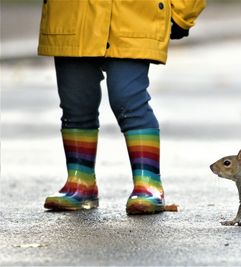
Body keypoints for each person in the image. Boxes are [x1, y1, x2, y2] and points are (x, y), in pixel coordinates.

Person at [38, 0, 206, 214]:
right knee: (76, 103)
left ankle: (149, 182)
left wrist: (183, 12)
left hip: (133, 18)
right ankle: (80, 181)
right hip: (70, 17)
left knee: (128, 100)